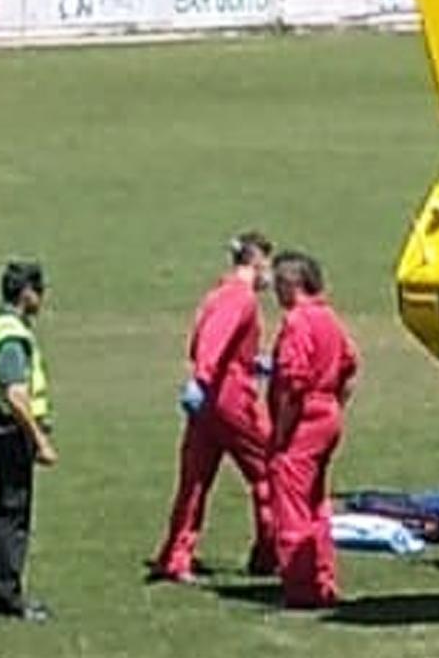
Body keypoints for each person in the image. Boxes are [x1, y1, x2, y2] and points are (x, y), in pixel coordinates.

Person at [150, 232, 279, 584]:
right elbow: (214, 341)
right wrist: (205, 378)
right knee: (268, 470)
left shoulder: (218, 293)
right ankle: (270, 552)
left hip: (209, 402)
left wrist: (256, 362)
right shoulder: (241, 299)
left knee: (194, 480)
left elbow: (211, 340)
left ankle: (176, 556)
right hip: (230, 398)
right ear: (257, 262)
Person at [266, 251, 359, 609]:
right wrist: (334, 406)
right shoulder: (329, 318)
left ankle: (301, 587)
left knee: (290, 503)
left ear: (292, 284)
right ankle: (323, 578)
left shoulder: (298, 322)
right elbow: (350, 365)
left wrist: (281, 432)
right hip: (328, 414)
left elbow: (293, 382)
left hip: (304, 418)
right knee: (316, 502)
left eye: (278, 285)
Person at [0, 260, 58, 622]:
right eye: (39, 291)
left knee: (9, 510)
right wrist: (39, 439)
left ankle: (4, 589)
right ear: (26, 294)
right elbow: (16, 394)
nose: (43, 298)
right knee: (13, 514)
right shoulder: (11, 337)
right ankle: (8, 595)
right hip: (11, 431)